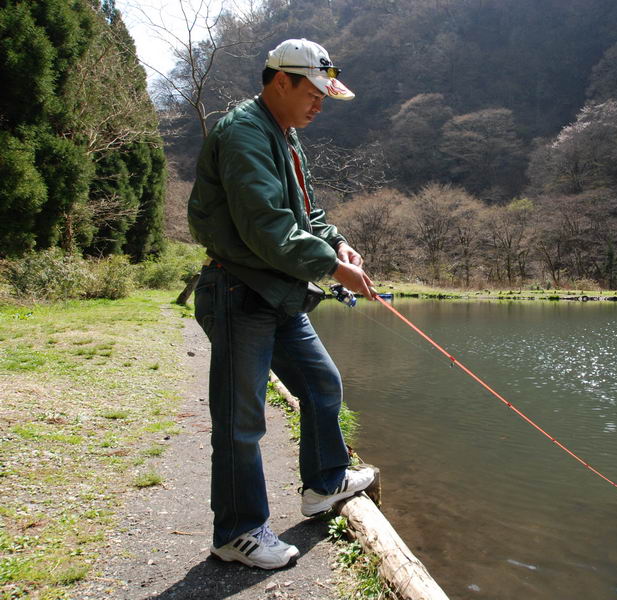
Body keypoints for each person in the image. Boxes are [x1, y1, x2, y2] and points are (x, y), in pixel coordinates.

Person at [187, 38, 376, 570]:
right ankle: (238, 533)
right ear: (280, 81)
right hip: (238, 292)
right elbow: (267, 225)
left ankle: (323, 485)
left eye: (325, 95)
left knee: (321, 384)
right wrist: (333, 268)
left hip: (279, 292)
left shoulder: (285, 135)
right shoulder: (245, 132)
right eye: (313, 92)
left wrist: (335, 241)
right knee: (240, 420)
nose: (320, 104)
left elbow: (306, 213)